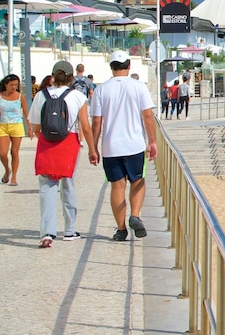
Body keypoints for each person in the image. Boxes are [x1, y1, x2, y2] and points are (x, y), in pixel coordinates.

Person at [28, 60, 98, 248]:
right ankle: (69, 230)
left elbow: (35, 126)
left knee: (47, 189)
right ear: (71, 77)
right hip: (69, 144)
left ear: (53, 76)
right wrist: (92, 149)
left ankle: (47, 233)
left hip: (46, 144)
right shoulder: (77, 97)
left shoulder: (41, 96)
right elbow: (85, 127)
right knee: (68, 185)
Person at [91, 50, 157, 242]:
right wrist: (152, 141)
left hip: (110, 146)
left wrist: (93, 148)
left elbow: (97, 122)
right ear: (129, 65)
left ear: (111, 67)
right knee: (138, 181)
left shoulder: (101, 89)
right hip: (134, 145)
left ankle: (121, 230)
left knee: (117, 187)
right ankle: (135, 215)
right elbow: (147, 116)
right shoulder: (138, 87)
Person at [0, 74, 34, 186]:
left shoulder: (19, 96)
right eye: (11, 85)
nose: (14, 87)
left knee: (14, 152)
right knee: (3, 153)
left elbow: (26, 113)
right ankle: (7, 170)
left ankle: (14, 177)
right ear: (5, 85)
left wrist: (30, 128)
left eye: (16, 85)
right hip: (3, 126)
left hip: (17, 126)